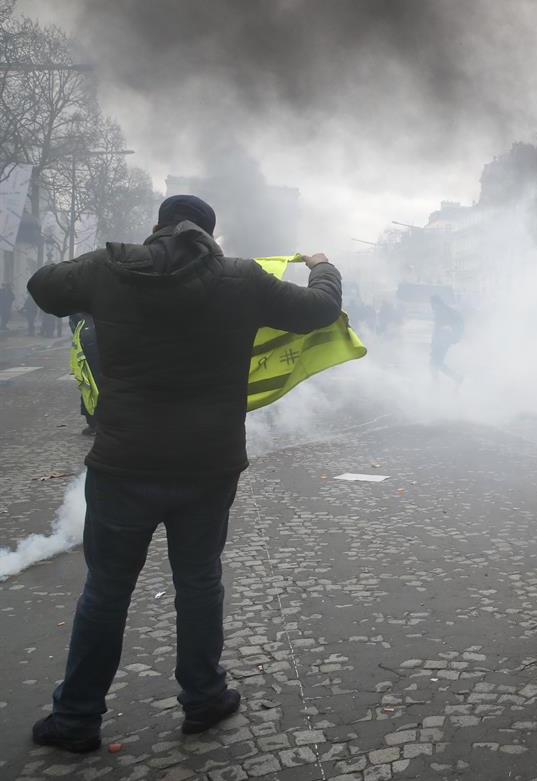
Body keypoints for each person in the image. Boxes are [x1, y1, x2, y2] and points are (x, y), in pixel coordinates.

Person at [25, 195, 342, 753]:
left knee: (105, 591)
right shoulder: (242, 279)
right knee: (198, 584)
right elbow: (319, 310)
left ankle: (75, 718)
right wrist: (322, 265)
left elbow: (42, 285)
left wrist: (97, 256)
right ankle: (204, 698)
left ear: (158, 227)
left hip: (123, 464)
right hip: (207, 465)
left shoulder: (109, 268)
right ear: (209, 235)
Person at [69, 312, 103, 435]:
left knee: (90, 388)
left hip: (89, 353)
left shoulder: (81, 321)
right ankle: (96, 422)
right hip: (94, 352)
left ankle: (94, 423)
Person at [429, 294, 465, 385]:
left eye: (432, 304)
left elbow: (438, 330)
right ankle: (455, 378)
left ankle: (456, 378)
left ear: (436, 303)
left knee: (435, 364)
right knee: (436, 363)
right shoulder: (445, 310)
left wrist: (434, 343)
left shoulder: (441, 312)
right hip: (444, 342)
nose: (431, 307)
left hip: (442, 343)